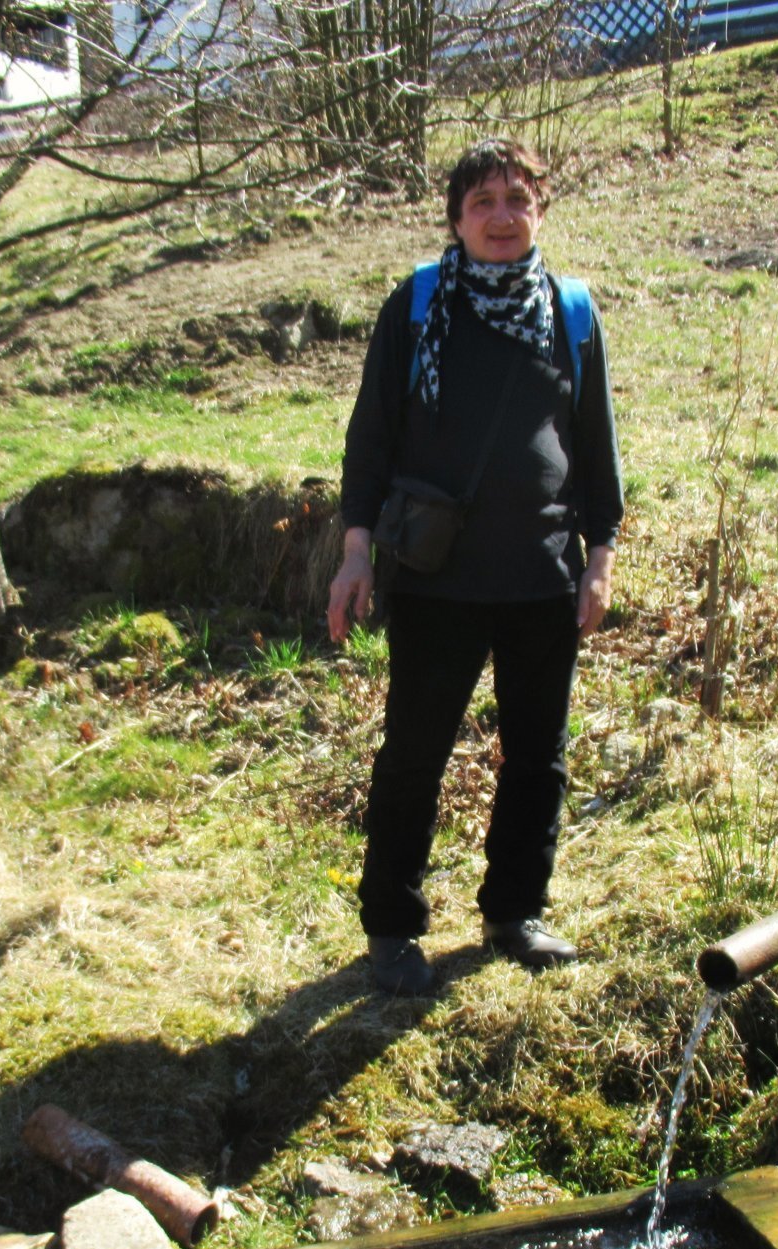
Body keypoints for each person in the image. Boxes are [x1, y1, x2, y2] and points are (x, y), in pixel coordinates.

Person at [327, 138, 624, 996]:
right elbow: (370, 440)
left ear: (539, 211)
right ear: (455, 218)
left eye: (517, 200)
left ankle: (514, 912)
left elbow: (596, 450)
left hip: (541, 576)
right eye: (482, 202)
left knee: (539, 756)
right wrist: (355, 555)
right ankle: (390, 926)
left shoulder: (568, 312)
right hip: (435, 579)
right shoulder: (418, 307)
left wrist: (597, 560)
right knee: (413, 756)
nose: (501, 217)